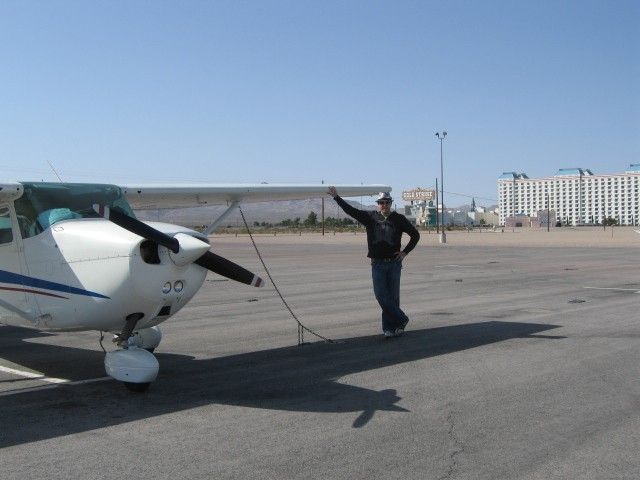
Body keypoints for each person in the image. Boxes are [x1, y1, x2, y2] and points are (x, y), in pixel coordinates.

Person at [327, 186, 420, 338]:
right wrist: (337, 197)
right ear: (378, 204)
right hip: (377, 264)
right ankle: (402, 319)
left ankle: (391, 328)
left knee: (393, 297)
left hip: (394, 263)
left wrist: (405, 252)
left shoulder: (399, 219)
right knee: (381, 295)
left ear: (391, 203)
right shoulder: (370, 217)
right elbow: (351, 211)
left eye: (387, 202)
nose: (384, 205)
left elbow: (415, 235)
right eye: (381, 202)